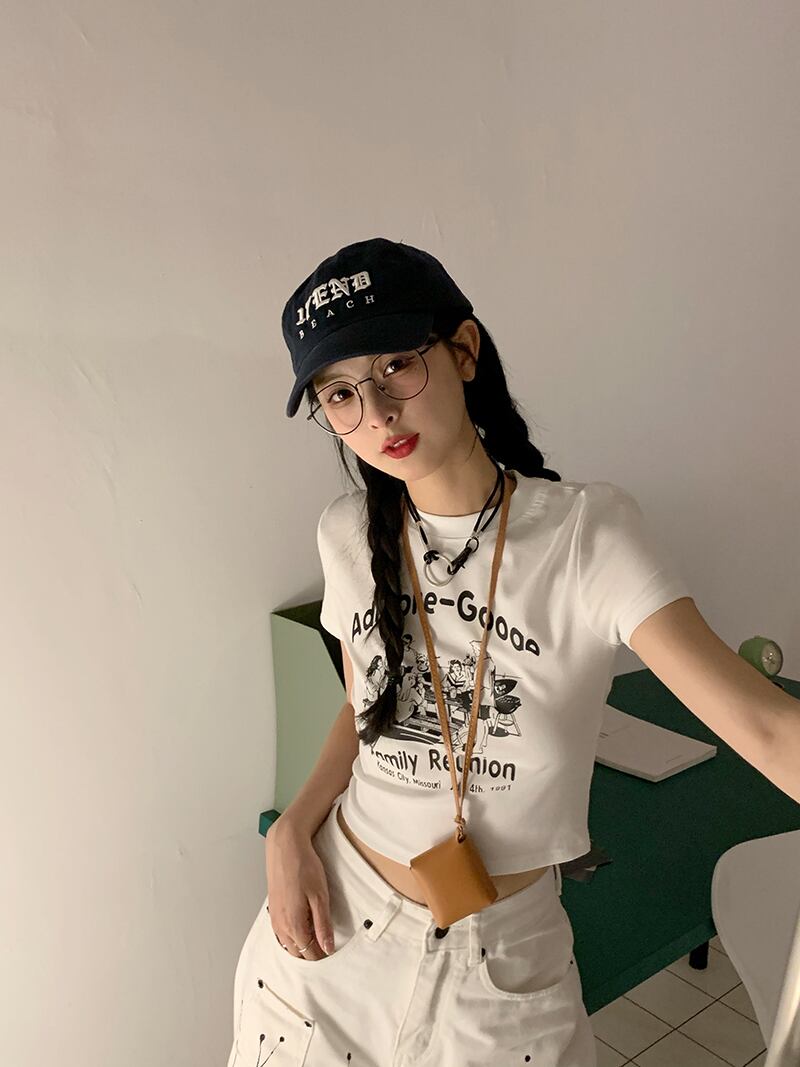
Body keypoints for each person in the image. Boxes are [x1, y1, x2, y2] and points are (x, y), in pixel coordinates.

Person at [226, 236, 692, 1066]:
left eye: (397, 365)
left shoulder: (587, 534)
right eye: (341, 394)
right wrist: (291, 828)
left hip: (501, 969)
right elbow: (366, 704)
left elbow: (765, 729)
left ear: (464, 349)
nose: (377, 414)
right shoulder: (347, 533)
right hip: (331, 938)